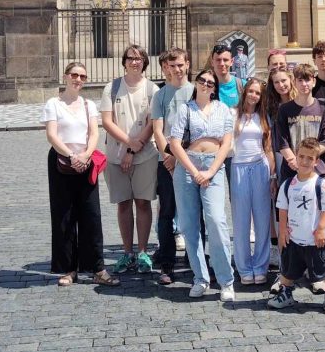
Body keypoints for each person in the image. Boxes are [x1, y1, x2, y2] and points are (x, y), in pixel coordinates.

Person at [41, 62, 118, 287]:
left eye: (83, 77)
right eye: (74, 75)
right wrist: (71, 155)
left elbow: (94, 133)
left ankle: (97, 268)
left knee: (91, 214)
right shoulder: (53, 104)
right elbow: (52, 135)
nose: (78, 80)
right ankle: (68, 269)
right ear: (65, 76)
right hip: (61, 161)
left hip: (86, 161)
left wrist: (85, 155)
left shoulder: (88, 104)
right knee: (64, 215)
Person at [169, 68, 236, 300]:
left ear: (215, 88)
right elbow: (175, 143)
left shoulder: (223, 109)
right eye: (202, 81)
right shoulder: (185, 109)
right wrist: (194, 171)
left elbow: (226, 143)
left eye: (210, 82)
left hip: (213, 166)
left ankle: (226, 280)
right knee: (189, 225)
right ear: (196, 83)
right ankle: (200, 278)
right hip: (188, 167)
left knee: (216, 220)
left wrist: (211, 170)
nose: (206, 84)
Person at [100, 44, 159, 276]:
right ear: (124, 62)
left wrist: (134, 149)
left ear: (145, 62)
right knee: (123, 203)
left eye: (139, 58)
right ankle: (127, 252)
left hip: (145, 155)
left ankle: (142, 251)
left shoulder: (152, 89)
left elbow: (153, 123)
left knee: (143, 203)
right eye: (130, 58)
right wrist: (128, 144)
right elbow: (107, 122)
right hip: (116, 155)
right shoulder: (112, 87)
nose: (135, 62)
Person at [267, 138, 325, 315]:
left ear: (316, 161)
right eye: (301, 156)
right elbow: (282, 209)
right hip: (294, 238)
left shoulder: (321, 184)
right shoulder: (288, 185)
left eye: (310, 158)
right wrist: (282, 230)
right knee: (288, 269)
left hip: (316, 240)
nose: (305, 161)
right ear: (296, 157)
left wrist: (321, 229)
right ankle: (286, 293)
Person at [149, 47, 193, 285]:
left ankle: (195, 260)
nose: (177, 69)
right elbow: (158, 129)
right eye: (173, 65)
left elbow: (197, 129)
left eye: (181, 65)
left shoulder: (196, 91)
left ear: (187, 65)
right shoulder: (160, 95)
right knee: (166, 212)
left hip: (191, 160)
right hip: (165, 162)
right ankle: (167, 263)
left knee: (194, 212)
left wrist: (178, 157)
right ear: (167, 68)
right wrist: (168, 156)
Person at [231, 79, 274, 285]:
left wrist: (273, 175)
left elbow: (269, 147)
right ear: (245, 92)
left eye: (258, 93)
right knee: (240, 220)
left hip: (260, 167)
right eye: (251, 91)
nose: (254, 96)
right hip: (238, 167)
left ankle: (260, 265)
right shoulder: (233, 114)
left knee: (262, 220)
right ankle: (244, 267)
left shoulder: (263, 116)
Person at [273, 64, 325, 186]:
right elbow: (282, 142)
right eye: (300, 80)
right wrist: (295, 161)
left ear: (314, 82)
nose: (304, 84)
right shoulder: (284, 109)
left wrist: (307, 158)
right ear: (294, 83)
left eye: (307, 80)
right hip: (291, 169)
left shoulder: (323, 108)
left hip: (316, 169)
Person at [264, 66, 296, 272]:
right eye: (276, 82)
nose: (281, 85)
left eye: (284, 80)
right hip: (279, 158)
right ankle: (280, 249)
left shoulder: (299, 102)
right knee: (280, 206)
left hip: (299, 158)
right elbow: (269, 140)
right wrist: (274, 173)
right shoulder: (271, 108)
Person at [210, 43, 242, 108]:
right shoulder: (205, 86)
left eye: (225, 60)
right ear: (212, 62)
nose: (222, 63)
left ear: (232, 62)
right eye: (218, 60)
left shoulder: (242, 85)